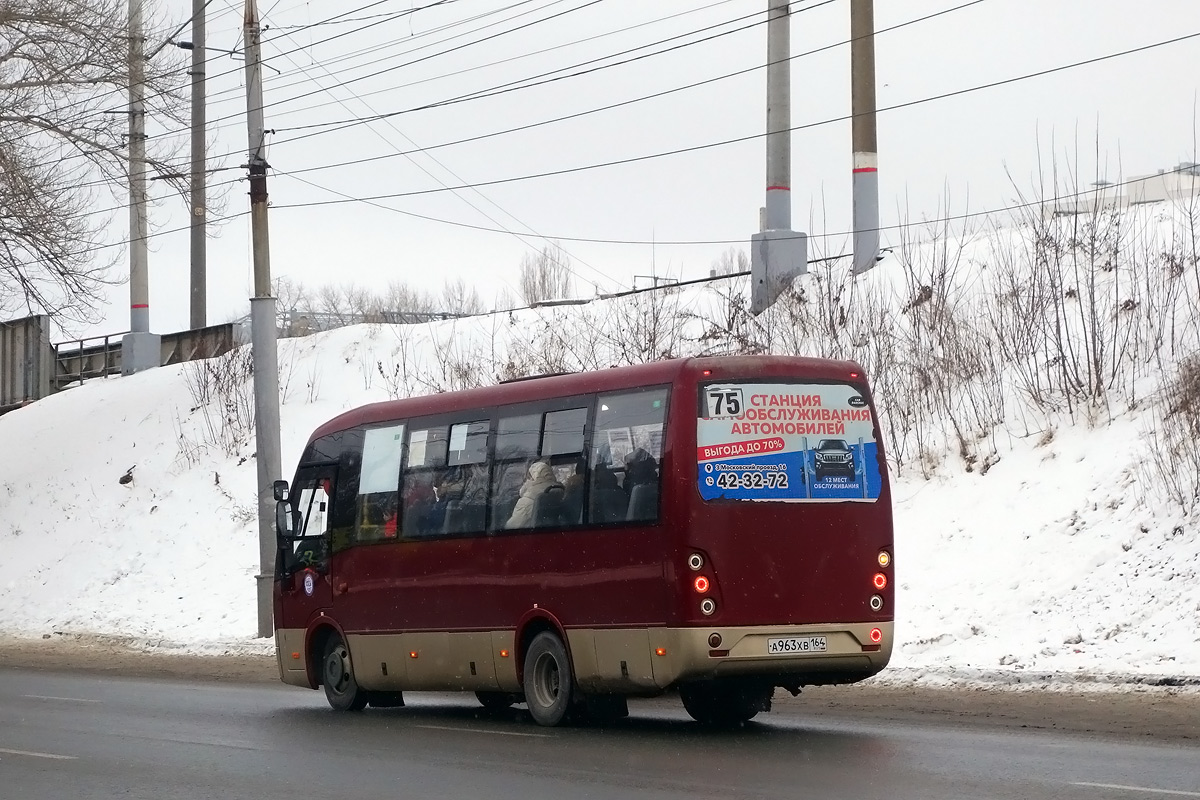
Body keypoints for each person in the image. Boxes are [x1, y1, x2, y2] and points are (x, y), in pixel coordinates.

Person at [505, 461, 557, 529]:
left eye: (529, 476)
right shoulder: (557, 491)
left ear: (534, 478)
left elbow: (512, 527)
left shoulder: (528, 499)